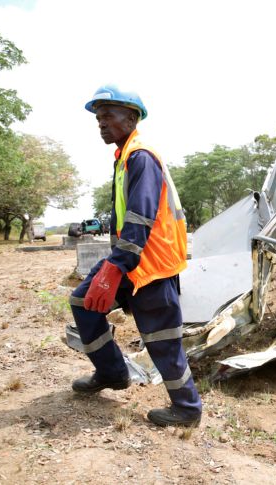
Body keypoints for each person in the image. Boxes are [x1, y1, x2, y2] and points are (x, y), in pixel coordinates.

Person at [69, 84, 202, 427]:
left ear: (132, 117)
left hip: (151, 263)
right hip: (131, 259)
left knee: (161, 339)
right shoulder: (125, 156)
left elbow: (141, 217)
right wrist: (117, 263)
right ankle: (113, 372)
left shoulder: (140, 155)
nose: (101, 123)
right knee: (84, 303)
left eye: (108, 116)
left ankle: (187, 409)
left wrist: (115, 268)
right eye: (98, 118)